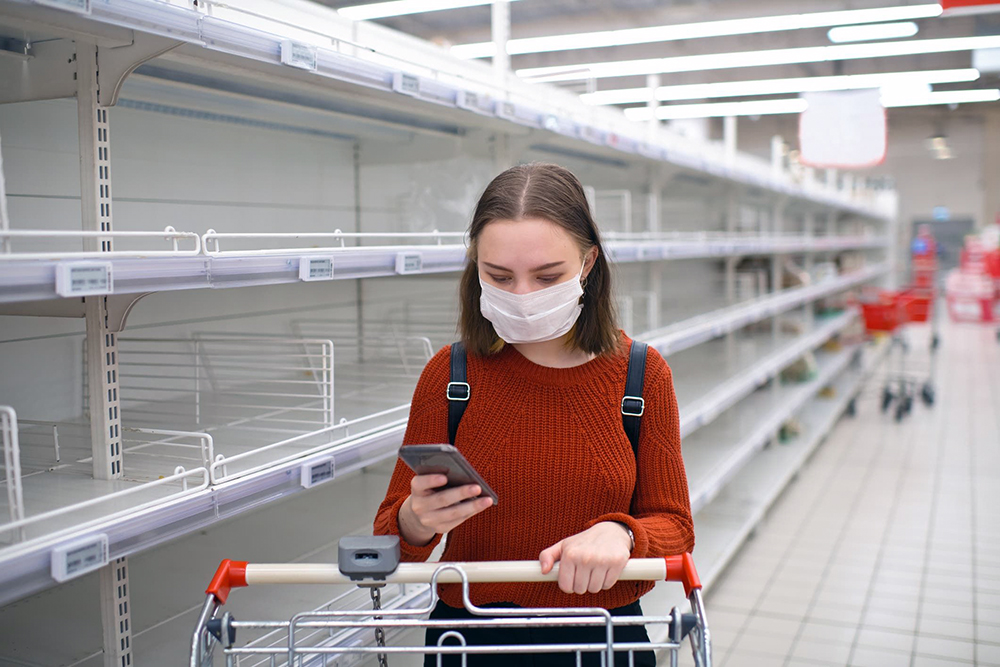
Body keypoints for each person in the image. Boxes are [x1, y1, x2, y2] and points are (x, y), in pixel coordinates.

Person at [373, 162, 694, 666]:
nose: (522, 297)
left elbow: (675, 524)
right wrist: (416, 519)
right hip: (472, 638)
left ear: (588, 264)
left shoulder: (641, 376)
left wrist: (624, 533)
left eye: (548, 276)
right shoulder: (450, 375)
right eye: (498, 276)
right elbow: (389, 541)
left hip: (604, 640)